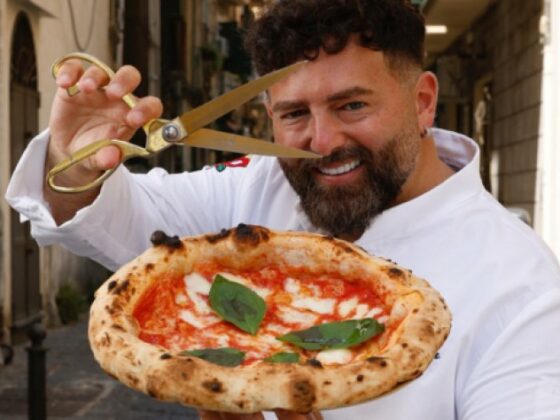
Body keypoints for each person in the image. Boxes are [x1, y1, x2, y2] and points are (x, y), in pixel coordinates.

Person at [6, 0, 560, 419]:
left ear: (423, 101)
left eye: (352, 105)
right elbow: (115, 215)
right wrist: (76, 164)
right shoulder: (259, 183)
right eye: (294, 114)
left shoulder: (524, 289)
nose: (322, 142)